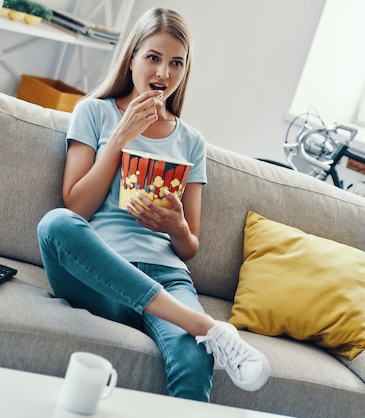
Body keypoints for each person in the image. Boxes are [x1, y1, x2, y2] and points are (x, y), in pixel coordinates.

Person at [37, 7, 270, 402]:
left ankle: (196, 329)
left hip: (167, 275)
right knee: (55, 224)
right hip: (103, 275)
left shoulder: (192, 142)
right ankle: (205, 325)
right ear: (132, 59)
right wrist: (120, 138)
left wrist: (176, 226)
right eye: (154, 58)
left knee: (194, 361)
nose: (164, 74)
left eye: (176, 63)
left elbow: (190, 246)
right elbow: (76, 208)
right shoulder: (93, 113)